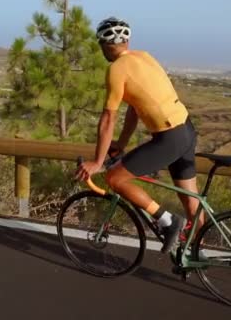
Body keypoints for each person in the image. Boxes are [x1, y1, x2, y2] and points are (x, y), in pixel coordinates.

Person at [75, 17, 203, 254]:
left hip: (169, 138)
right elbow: (134, 107)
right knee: (191, 201)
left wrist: (98, 162)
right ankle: (196, 254)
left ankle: (168, 221)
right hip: (186, 129)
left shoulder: (115, 69)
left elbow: (108, 119)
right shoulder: (144, 56)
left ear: (103, 44)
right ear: (127, 40)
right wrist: (121, 144)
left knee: (115, 179)